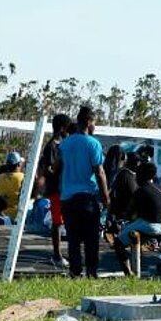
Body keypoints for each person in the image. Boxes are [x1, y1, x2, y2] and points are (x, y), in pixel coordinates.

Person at [55, 105, 110, 278]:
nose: (95, 127)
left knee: (73, 239)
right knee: (91, 239)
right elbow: (99, 172)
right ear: (88, 122)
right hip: (87, 197)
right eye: (94, 123)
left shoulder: (65, 144)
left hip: (68, 198)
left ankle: (75, 271)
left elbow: (57, 168)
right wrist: (106, 197)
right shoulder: (93, 143)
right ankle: (92, 272)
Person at [115, 162, 161, 275]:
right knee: (136, 232)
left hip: (150, 225)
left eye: (137, 174)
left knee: (118, 243)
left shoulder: (141, 190)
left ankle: (128, 273)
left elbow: (128, 213)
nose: (135, 177)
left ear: (141, 175)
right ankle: (138, 267)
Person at [40, 113, 71, 267]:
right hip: (56, 189)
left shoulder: (63, 144)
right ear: (61, 129)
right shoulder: (52, 146)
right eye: (67, 129)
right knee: (57, 223)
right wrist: (61, 171)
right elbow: (47, 169)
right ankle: (57, 255)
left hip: (64, 189)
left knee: (64, 222)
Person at [0, 151, 25, 220]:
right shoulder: (23, 177)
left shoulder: (0, 177)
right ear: (19, 164)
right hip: (16, 215)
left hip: (0, 214)